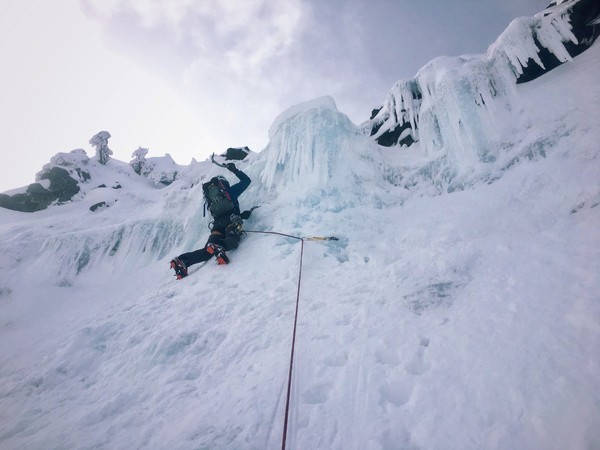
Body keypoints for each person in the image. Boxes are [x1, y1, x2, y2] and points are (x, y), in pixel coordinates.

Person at [170, 162, 251, 279]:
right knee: (233, 239)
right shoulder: (230, 192)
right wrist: (235, 170)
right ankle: (219, 246)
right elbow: (246, 181)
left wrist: (242, 215)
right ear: (224, 184)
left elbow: (219, 215)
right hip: (230, 221)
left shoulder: (211, 200)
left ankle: (182, 261)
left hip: (217, 226)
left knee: (206, 252)